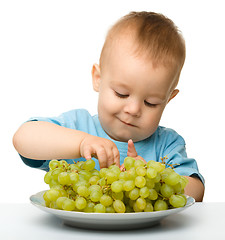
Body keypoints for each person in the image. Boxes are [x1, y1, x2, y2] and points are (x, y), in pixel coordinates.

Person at [13, 11, 204, 201]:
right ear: (98, 79)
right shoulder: (78, 126)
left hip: (145, 232)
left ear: (168, 99)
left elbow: (197, 191)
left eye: (151, 103)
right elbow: (23, 138)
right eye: (121, 93)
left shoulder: (167, 145)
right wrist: (80, 143)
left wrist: (153, 178)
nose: (133, 109)